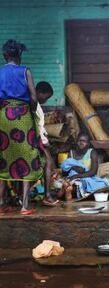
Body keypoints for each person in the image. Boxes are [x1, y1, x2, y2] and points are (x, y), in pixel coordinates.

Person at [0, 39, 43, 215]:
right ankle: (24, 206)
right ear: (19, 56)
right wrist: (31, 112)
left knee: (2, 157)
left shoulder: (0, 72)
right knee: (28, 155)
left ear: (5, 56)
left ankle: (1, 204)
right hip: (23, 116)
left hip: (3, 117)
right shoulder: (25, 71)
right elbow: (33, 98)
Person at [60, 133, 109, 201]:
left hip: (87, 177)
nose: (81, 143)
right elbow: (65, 171)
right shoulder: (71, 153)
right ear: (76, 142)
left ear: (88, 143)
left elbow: (93, 172)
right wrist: (73, 168)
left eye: (83, 141)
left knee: (103, 184)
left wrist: (77, 176)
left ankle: (69, 191)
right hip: (72, 178)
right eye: (79, 141)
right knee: (60, 183)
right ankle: (71, 190)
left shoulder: (92, 152)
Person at [35, 81, 61, 207]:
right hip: (36, 140)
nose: (46, 100)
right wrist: (45, 143)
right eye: (46, 97)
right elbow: (38, 128)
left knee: (49, 163)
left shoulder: (35, 104)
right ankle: (47, 196)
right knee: (48, 163)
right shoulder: (34, 105)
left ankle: (46, 194)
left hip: (38, 139)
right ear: (39, 92)